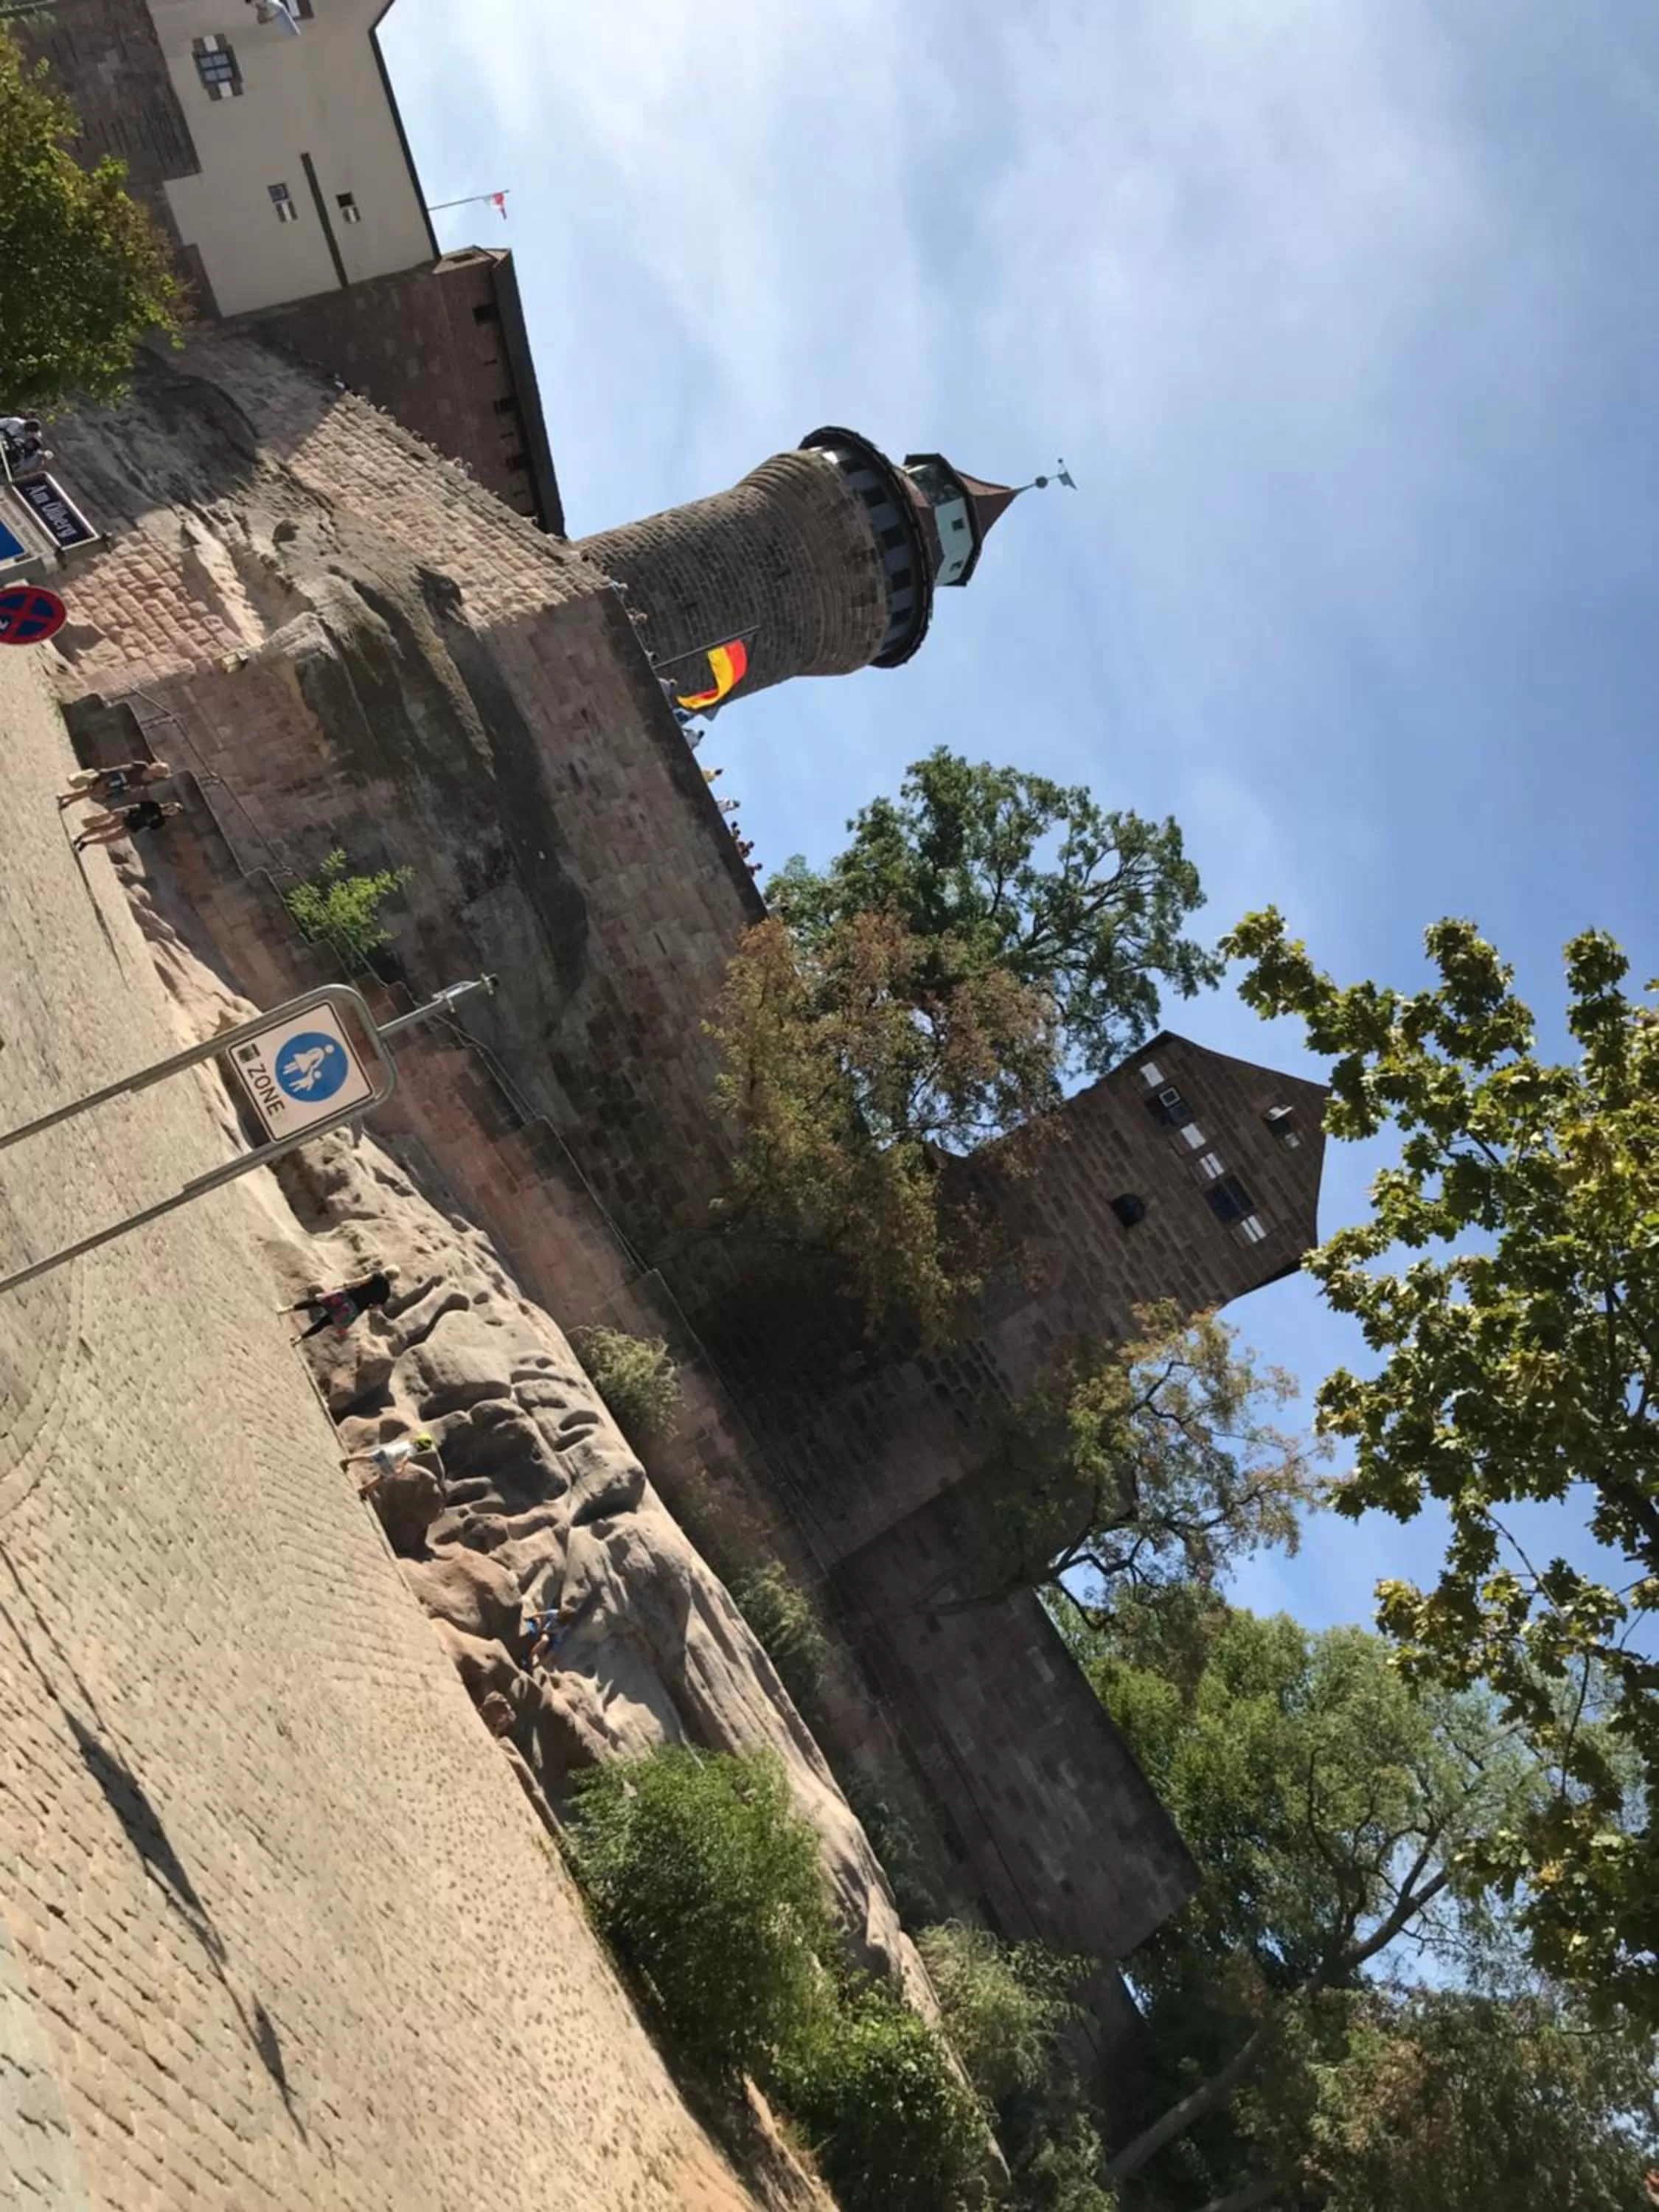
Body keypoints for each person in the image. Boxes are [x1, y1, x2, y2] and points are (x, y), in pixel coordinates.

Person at [285, 1265, 400, 1340]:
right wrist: (368, 1307)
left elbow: (360, 1282)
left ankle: (286, 1310)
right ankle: (300, 1338)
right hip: (353, 1310)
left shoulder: (377, 1275)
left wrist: (345, 1284)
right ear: (393, 1279)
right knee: (325, 1322)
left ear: (387, 1270)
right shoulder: (387, 1293)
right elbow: (377, 1309)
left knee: (318, 1302)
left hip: (346, 1297)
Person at [342, 1430, 437, 1495]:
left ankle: (348, 1461)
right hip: (390, 1459)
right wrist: (401, 1467)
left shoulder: (408, 1442)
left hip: (386, 1451)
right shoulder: (414, 1449)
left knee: (369, 1457)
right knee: (383, 1477)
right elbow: (406, 1458)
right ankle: (365, 1490)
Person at [58, 759, 173, 810]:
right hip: (114, 778)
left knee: (91, 793)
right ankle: (66, 799)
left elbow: (134, 788)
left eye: (161, 772)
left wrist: (124, 791)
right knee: (89, 790)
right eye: (159, 768)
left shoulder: (149, 781)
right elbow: (124, 768)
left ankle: (67, 800)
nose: (157, 771)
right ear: (156, 765)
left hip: (119, 786)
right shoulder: (142, 765)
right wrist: (108, 773)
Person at [72, 800, 182, 852]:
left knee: (110, 838)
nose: (171, 811)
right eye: (172, 808)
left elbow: (147, 828)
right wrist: (124, 810)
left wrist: (133, 832)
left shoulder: (161, 822)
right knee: (105, 827)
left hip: (132, 828)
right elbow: (137, 806)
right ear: (169, 805)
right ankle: (79, 837)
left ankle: (86, 843)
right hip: (127, 817)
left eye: (174, 812)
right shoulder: (154, 805)